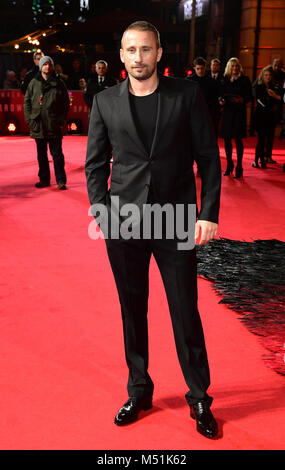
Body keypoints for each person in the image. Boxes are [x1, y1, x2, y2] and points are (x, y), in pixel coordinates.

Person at [85, 21, 221, 439]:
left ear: (159, 53)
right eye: (131, 50)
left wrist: (208, 212)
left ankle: (199, 396)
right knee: (133, 309)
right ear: (121, 56)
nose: (138, 57)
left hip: (176, 219)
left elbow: (208, 159)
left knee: (185, 310)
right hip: (123, 221)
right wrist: (102, 210)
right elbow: (95, 164)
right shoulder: (104, 101)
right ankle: (139, 389)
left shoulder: (187, 94)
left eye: (146, 49)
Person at [24, 56, 70, 190]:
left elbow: (66, 104)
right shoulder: (33, 83)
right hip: (38, 124)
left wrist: (61, 121)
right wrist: (29, 120)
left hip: (54, 124)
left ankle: (61, 180)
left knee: (57, 154)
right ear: (41, 67)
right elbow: (27, 102)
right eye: (45, 65)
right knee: (41, 155)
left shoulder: (59, 83)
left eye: (50, 65)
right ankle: (44, 179)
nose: (47, 67)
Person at [219, 57, 252, 178]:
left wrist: (242, 99)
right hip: (228, 112)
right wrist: (221, 100)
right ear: (229, 67)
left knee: (238, 140)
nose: (234, 68)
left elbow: (249, 96)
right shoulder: (225, 79)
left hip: (239, 112)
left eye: (236, 66)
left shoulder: (245, 79)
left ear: (239, 67)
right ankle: (229, 165)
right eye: (232, 66)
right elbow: (221, 94)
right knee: (227, 140)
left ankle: (239, 167)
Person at [252, 65, 282, 168]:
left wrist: (274, 97)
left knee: (269, 138)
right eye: (266, 75)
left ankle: (264, 158)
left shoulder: (275, 87)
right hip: (261, 116)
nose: (268, 77)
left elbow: (279, 100)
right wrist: (271, 102)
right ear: (262, 76)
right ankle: (257, 160)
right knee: (261, 139)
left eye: (269, 75)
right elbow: (261, 101)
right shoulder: (259, 86)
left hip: (271, 117)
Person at [188, 57, 220, 137]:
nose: (200, 71)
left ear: (205, 67)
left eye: (202, 68)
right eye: (198, 68)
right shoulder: (188, 81)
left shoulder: (212, 82)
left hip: (208, 112)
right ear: (194, 68)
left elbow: (215, 97)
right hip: (193, 113)